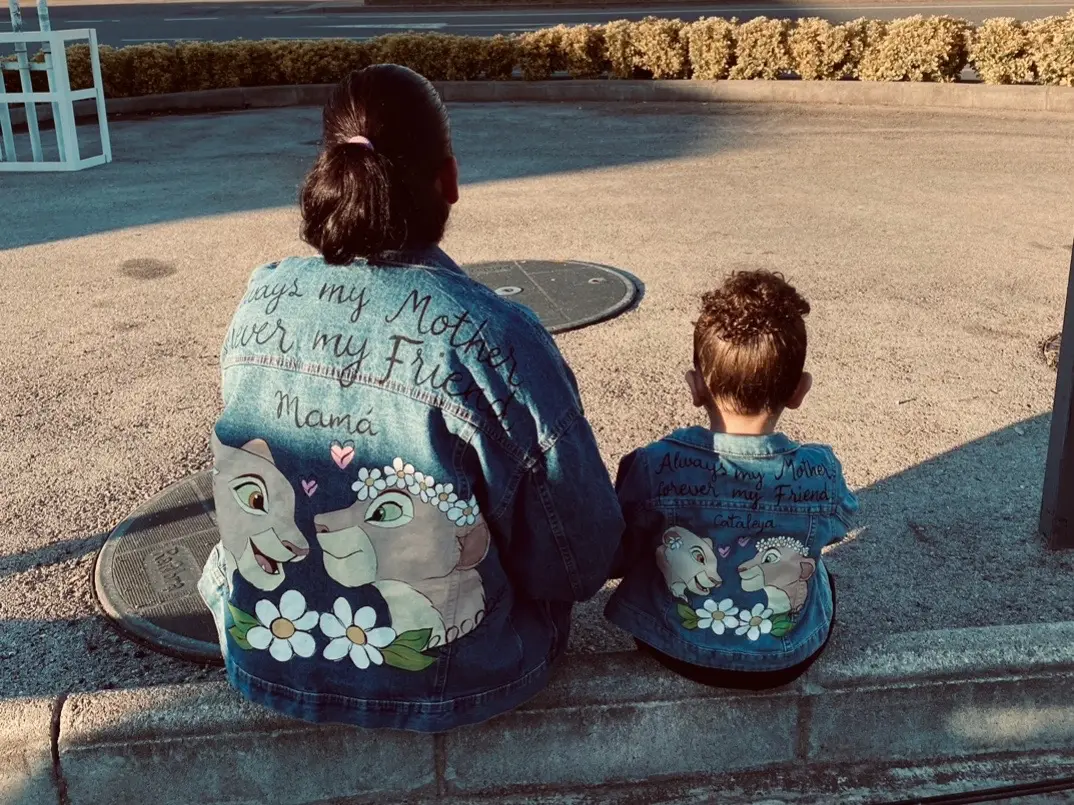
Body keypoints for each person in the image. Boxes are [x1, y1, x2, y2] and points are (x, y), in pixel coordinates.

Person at [197, 64, 624, 732]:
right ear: (448, 180)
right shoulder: (496, 336)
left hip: (266, 653)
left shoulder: (263, 297)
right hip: (456, 677)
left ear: (332, 175)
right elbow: (578, 558)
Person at [604, 270, 857, 689]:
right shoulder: (821, 469)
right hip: (786, 657)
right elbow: (838, 525)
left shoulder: (656, 464)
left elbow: (622, 542)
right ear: (799, 392)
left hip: (674, 648)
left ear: (695, 387)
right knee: (820, 572)